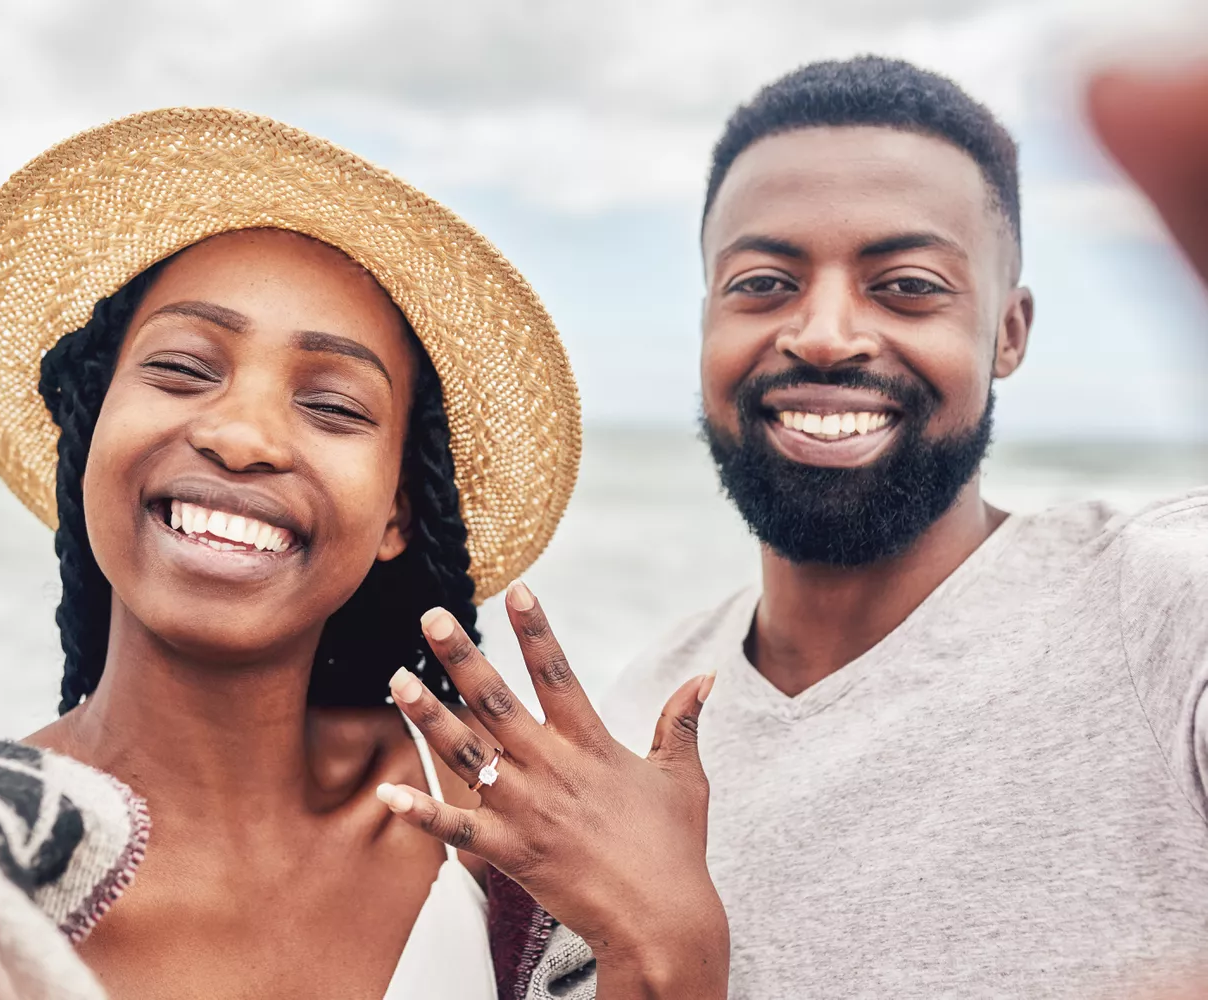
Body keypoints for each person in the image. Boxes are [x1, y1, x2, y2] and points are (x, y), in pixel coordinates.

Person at [0, 107, 726, 1000]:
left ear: (398, 512)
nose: (241, 436)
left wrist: (674, 949)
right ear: (90, 432)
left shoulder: (509, 846)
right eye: (184, 368)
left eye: (333, 406)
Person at [476, 56, 1208, 998]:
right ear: (707, 324)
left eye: (905, 285)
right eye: (763, 284)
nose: (823, 334)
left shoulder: (1166, 610)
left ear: (1009, 334)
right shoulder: (632, 725)